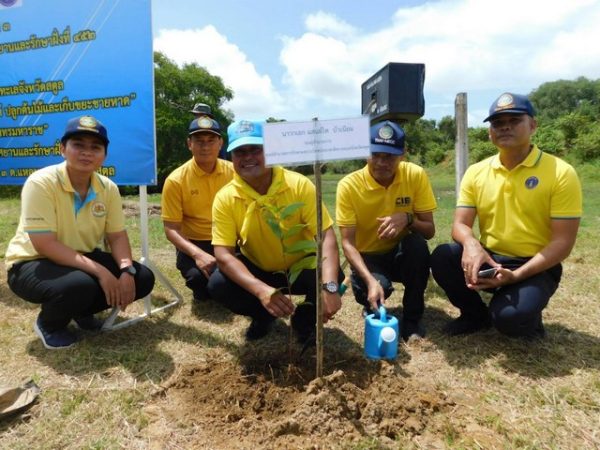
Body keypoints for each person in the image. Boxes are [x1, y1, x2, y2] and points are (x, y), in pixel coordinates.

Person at [430, 93, 582, 338]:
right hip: (490, 258)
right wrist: (471, 244)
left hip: (535, 264)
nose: (505, 127)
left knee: (509, 321)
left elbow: (563, 242)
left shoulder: (561, 172)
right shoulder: (477, 171)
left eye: (514, 120)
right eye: (497, 123)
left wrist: (517, 276)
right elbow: (460, 224)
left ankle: (523, 311)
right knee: (443, 256)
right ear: (490, 132)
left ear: (532, 125)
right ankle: (474, 315)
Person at [5, 116, 155, 350]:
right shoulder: (41, 182)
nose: (87, 152)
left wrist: (126, 269)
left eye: (95, 147)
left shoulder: (108, 188)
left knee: (142, 278)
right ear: (63, 149)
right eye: (78, 145)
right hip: (32, 261)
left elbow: (116, 236)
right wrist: (101, 272)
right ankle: (50, 324)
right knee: (79, 285)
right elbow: (45, 244)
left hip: (79, 257)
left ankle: (81, 310)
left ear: (104, 155)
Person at [207, 120, 343, 342]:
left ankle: (305, 319)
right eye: (240, 152)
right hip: (258, 268)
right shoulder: (225, 197)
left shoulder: (299, 185)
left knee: (332, 272)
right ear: (231, 157)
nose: (248, 157)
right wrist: (261, 290)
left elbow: (326, 235)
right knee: (219, 284)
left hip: (300, 267)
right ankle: (263, 315)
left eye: (255, 149)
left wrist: (329, 287)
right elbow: (223, 255)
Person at [336, 121, 437, 341]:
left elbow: (429, 231)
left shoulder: (415, 175)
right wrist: (371, 281)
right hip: (368, 257)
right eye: (376, 154)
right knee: (377, 287)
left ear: (403, 154)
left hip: (400, 253)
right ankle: (370, 301)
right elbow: (348, 244)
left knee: (418, 246)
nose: (382, 162)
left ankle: (411, 320)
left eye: (390, 156)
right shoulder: (349, 185)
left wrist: (408, 219)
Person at [161, 116, 234, 302]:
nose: (205, 146)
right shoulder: (176, 180)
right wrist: (198, 254)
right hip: (195, 241)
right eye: (199, 141)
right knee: (198, 279)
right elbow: (171, 229)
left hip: (230, 238)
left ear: (220, 143)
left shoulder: (235, 173)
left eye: (211, 140)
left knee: (234, 277)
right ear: (189, 144)